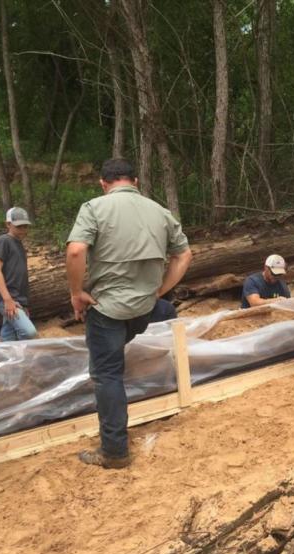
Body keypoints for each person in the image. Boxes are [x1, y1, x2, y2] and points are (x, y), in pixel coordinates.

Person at [66, 158, 192, 469]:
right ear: (135, 180)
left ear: (103, 183)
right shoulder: (160, 211)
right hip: (143, 308)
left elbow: (75, 250)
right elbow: (184, 254)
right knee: (128, 346)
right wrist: (159, 291)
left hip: (107, 310)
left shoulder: (94, 208)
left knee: (107, 375)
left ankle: (114, 451)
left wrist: (76, 292)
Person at [0, 207, 37, 341]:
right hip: (5, 296)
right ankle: (19, 355)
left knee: (8, 336)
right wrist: (7, 299)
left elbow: (20, 276)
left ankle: (6, 359)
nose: (23, 230)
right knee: (28, 332)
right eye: (19, 226)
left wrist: (23, 303)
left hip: (17, 298)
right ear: (8, 224)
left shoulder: (19, 244)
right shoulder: (4, 240)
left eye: (25, 226)